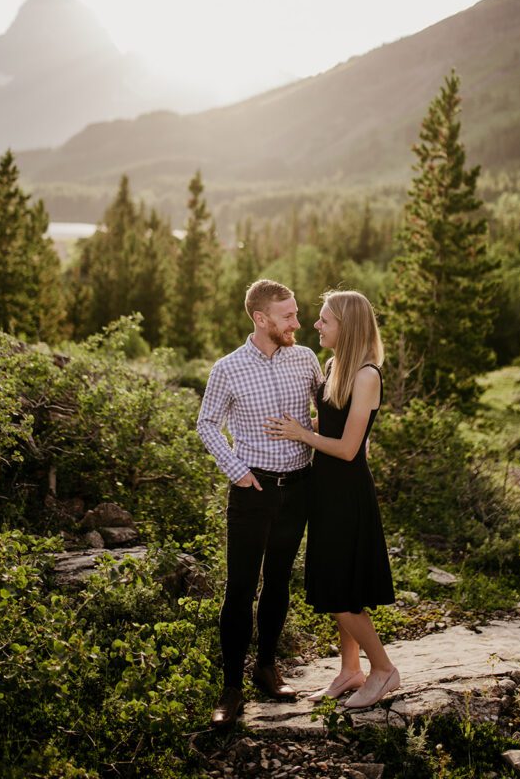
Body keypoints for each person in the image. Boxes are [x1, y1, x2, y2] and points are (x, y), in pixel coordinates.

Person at [265, 289, 399, 709]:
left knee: (339, 594)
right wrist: (302, 424)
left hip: (347, 493)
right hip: (325, 490)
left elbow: (347, 448)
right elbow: (332, 422)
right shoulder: (335, 365)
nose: (316, 326)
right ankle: (350, 670)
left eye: (325, 320)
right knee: (341, 586)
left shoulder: (366, 375)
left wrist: (302, 434)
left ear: (348, 325)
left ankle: (383, 670)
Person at [197, 279, 322, 727]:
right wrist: (239, 472)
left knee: (279, 582)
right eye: (288, 315)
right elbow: (207, 424)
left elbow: (329, 410)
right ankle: (231, 689)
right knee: (240, 587)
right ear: (261, 318)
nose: (297, 322)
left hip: (299, 488)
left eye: (296, 313)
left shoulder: (306, 359)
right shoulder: (227, 368)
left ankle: (266, 668)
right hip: (253, 491)